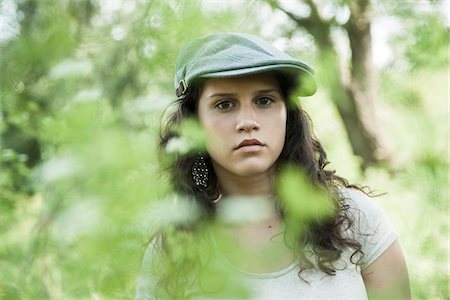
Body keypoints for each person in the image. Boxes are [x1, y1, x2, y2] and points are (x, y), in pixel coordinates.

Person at [136, 32, 410, 299]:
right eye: (225, 104)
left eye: (264, 100)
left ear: (287, 116)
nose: (247, 121)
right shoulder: (170, 252)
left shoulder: (354, 218)